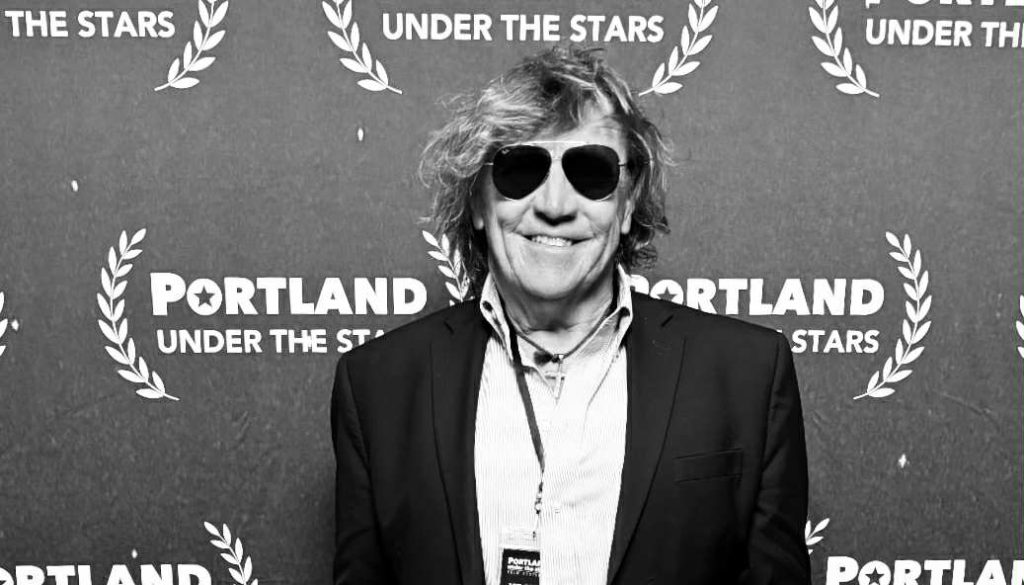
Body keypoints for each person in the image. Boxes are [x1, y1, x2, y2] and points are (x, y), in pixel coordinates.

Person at [331, 45, 810, 585]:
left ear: (627, 204)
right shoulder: (379, 387)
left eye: (591, 172)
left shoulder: (747, 377)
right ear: (479, 201)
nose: (555, 205)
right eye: (520, 170)